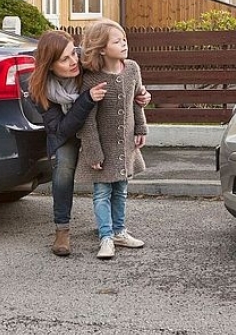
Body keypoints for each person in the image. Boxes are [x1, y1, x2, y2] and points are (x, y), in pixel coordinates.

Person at [28, 30, 150, 257]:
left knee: (115, 182)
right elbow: (61, 129)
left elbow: (120, 80)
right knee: (63, 169)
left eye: (72, 53)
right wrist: (85, 100)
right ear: (50, 66)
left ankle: (112, 228)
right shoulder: (40, 91)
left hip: (97, 127)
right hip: (66, 133)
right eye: (64, 59)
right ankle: (62, 229)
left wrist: (141, 96)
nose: (74, 61)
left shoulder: (86, 65)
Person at [75, 19, 148, 260]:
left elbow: (137, 101)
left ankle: (119, 231)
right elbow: (88, 119)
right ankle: (105, 237)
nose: (124, 44)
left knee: (122, 190)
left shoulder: (132, 69)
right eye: (117, 41)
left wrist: (141, 128)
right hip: (102, 147)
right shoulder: (92, 78)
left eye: (124, 39)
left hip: (125, 144)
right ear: (102, 49)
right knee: (101, 193)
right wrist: (93, 152)